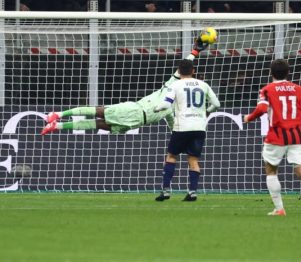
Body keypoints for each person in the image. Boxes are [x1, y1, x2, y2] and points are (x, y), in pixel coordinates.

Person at [40, 39, 210, 135]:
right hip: (134, 111)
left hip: (134, 124)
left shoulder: (173, 109)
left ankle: (57, 126)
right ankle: (57, 114)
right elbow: (183, 68)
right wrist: (195, 51)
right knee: (98, 111)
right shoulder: (171, 86)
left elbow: (174, 127)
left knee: (98, 125)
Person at [243, 59, 301, 216]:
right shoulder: (300, 89)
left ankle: (279, 209)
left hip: (277, 135)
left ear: (271, 73)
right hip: (298, 135)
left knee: (271, 170)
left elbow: (261, 108)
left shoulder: (267, 89)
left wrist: (249, 118)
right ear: (288, 73)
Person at [153, 59, 220, 202]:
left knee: (171, 156)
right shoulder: (203, 84)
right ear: (193, 70)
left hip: (182, 126)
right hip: (199, 127)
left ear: (179, 71)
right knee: (193, 159)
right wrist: (206, 111)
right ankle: (193, 192)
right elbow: (216, 104)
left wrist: (156, 108)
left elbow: (166, 103)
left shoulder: (176, 85)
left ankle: (165, 191)